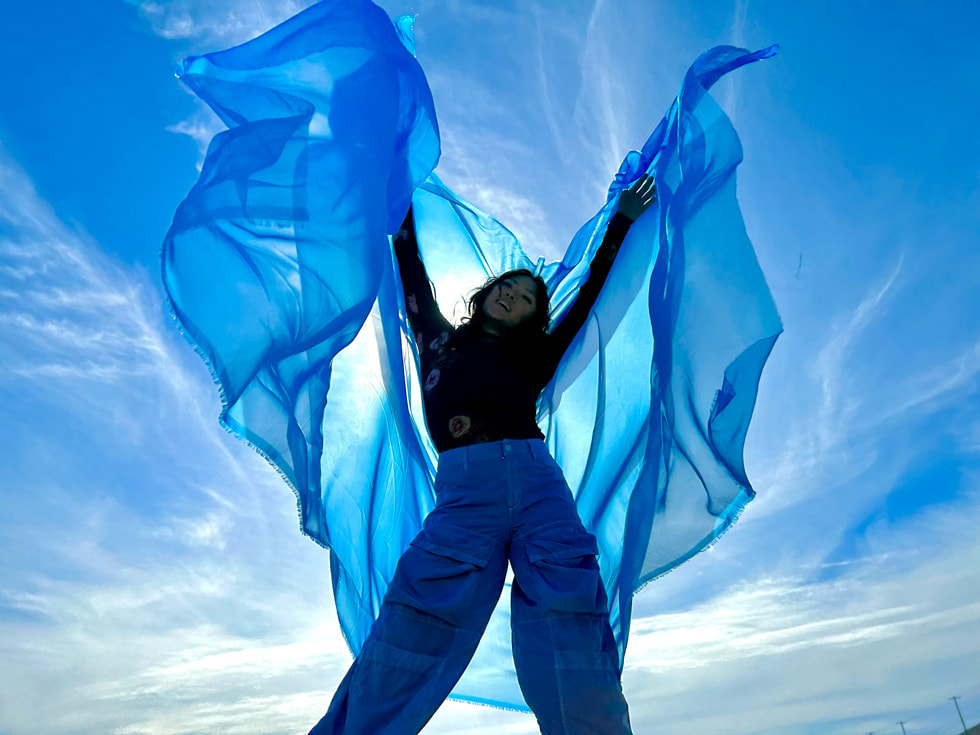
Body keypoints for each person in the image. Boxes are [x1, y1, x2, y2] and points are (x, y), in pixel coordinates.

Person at [309, 175, 658, 735]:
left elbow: (591, 289)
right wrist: (395, 196)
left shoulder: (536, 357)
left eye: (525, 298)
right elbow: (410, 265)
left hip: (537, 483)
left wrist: (619, 222)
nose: (513, 296)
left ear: (531, 318)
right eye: (508, 287)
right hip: (466, 495)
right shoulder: (436, 339)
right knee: (416, 620)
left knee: (569, 614)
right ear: (486, 292)